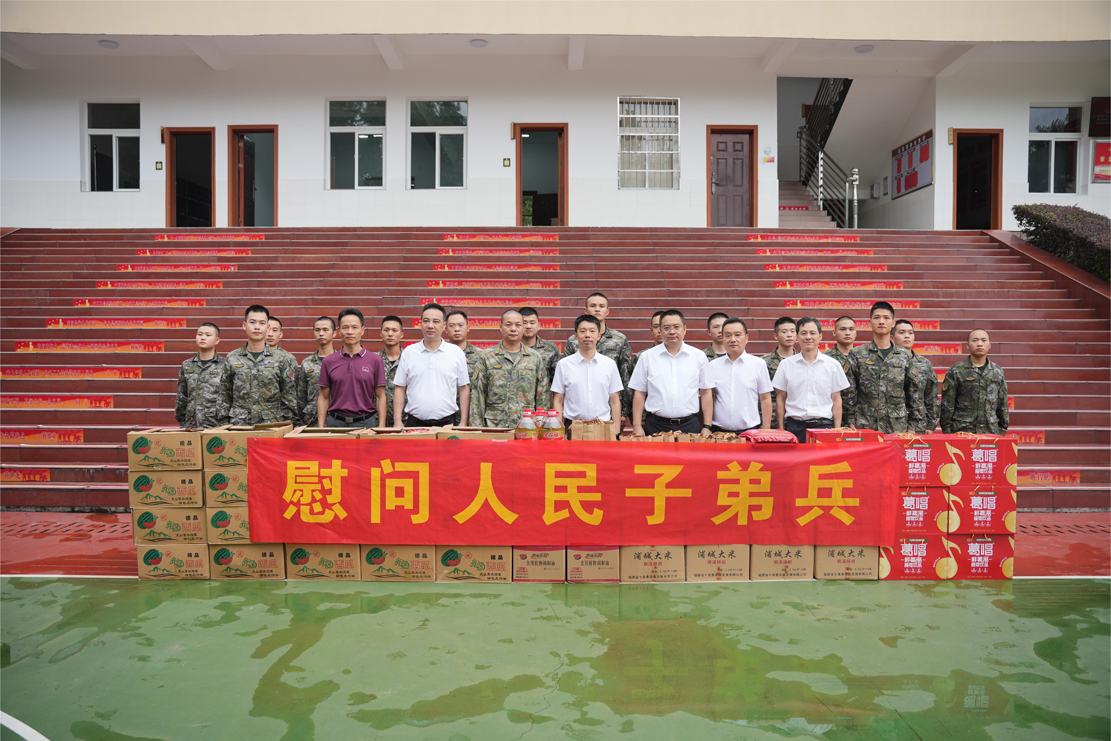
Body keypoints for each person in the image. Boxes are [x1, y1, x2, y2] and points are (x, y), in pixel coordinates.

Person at [629, 309, 713, 436]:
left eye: (676, 327)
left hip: (689, 424)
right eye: (666, 327)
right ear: (660, 331)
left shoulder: (698, 356)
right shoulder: (647, 357)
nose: (672, 331)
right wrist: (637, 425)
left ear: (684, 329)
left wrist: (706, 426)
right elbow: (639, 392)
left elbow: (706, 392)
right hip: (656, 425)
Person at [844, 301, 924, 433]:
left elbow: (913, 394)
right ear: (870, 323)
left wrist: (912, 426)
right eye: (877, 318)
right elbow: (849, 392)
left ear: (893, 323)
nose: (881, 321)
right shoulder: (857, 354)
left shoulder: (905, 356)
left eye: (886, 318)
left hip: (897, 426)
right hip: (864, 425)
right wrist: (849, 421)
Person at [773, 317, 851, 442]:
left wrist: (837, 430)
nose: (808, 337)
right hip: (794, 427)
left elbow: (836, 399)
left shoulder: (832, 364)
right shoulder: (786, 365)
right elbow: (780, 398)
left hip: (823, 428)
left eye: (812, 333)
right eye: (803, 333)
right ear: (797, 337)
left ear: (820, 337)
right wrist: (782, 430)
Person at [563, 292, 634, 427]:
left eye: (601, 306)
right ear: (585, 310)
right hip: (580, 409)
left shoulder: (619, 339)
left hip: (608, 409)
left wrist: (623, 412)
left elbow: (625, 376)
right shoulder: (573, 341)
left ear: (607, 312)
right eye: (593, 306)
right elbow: (567, 376)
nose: (597, 309)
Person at [393, 303, 470, 428]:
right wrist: (397, 421)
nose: (430, 325)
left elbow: (463, 388)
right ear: (421, 323)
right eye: (426, 321)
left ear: (444, 325)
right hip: (414, 423)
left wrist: (463, 422)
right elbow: (400, 387)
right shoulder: (409, 352)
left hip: (447, 423)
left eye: (436, 321)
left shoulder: (456, 353)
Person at [471, 310, 552, 428]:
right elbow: (477, 396)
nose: (513, 329)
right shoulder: (487, 357)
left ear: (523, 328)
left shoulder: (535, 357)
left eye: (518, 325)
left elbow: (543, 396)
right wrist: (476, 429)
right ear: (500, 327)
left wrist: (542, 427)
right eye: (508, 325)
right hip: (495, 426)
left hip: (527, 426)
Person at [221, 305, 299, 425]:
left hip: (271, 425)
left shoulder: (282, 359)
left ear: (267, 327)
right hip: (239, 425)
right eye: (252, 322)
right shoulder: (232, 358)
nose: (257, 327)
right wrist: (224, 425)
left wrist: (289, 425)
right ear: (244, 325)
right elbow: (224, 395)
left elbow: (289, 398)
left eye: (262, 323)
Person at [551, 315, 623, 436]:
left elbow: (615, 400)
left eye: (592, 331)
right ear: (576, 335)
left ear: (599, 335)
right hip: (573, 428)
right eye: (583, 331)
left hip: (603, 427)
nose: (587, 335)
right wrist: (559, 430)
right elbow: (558, 401)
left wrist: (615, 432)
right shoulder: (563, 365)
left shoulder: (609, 364)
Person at [317, 308, 386, 428]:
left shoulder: (375, 360)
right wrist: (321, 427)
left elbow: (380, 396)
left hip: (366, 422)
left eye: (355, 327)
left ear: (362, 330)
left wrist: (381, 426)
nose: (350, 332)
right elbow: (323, 397)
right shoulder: (328, 361)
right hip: (336, 423)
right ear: (338, 331)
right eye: (345, 327)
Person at [707, 318, 772, 434]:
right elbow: (707, 397)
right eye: (728, 335)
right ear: (723, 338)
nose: (733, 340)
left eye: (737, 335)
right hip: (719, 433)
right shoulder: (712, 366)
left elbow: (765, 398)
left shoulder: (758, 364)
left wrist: (766, 427)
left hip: (750, 431)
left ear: (746, 338)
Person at [941, 329, 1009, 434]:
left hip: (990, 430)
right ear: (967, 345)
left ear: (989, 345)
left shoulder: (997, 371)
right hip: (962, 430)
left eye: (984, 340)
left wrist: (1002, 429)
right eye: (975, 340)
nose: (980, 344)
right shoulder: (956, 370)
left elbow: (1002, 403)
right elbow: (947, 403)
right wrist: (947, 430)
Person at [175, 322, 229, 429]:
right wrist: (182, 421)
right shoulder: (187, 365)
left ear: (217, 340)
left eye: (208, 335)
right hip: (191, 425)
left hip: (217, 426)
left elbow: (230, 396)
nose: (203, 338)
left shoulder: (225, 365)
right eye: (200, 334)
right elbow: (182, 396)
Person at [894, 319, 940, 433]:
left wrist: (931, 425)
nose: (907, 336)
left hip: (919, 425)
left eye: (910, 333)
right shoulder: (887, 362)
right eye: (902, 332)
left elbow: (931, 396)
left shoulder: (924, 364)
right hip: (892, 424)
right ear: (891, 337)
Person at [445, 309, 481, 422]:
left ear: (468, 328)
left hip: (472, 416)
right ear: (445, 329)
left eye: (461, 325)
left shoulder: (481, 356)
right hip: (444, 416)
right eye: (452, 325)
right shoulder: (439, 355)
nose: (456, 329)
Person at [300, 316, 336, 427]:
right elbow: (301, 396)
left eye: (325, 330)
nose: (321, 333)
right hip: (312, 420)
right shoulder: (307, 363)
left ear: (334, 333)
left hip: (336, 419)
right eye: (317, 330)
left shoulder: (342, 361)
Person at [265, 317, 302, 423]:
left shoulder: (288, 359)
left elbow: (293, 390)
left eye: (274, 330)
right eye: (267, 330)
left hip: (279, 416)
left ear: (281, 334)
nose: (270, 334)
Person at [762, 316, 797, 421]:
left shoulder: (802, 361)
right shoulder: (764, 361)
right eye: (784, 332)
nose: (789, 335)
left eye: (792, 331)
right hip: (772, 418)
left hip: (796, 417)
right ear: (776, 336)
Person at [520, 306, 560, 382]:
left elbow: (557, 380)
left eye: (532, 323)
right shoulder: (511, 348)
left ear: (538, 326)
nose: (528, 326)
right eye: (524, 323)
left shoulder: (550, 348)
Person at [378, 315, 404, 427]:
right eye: (386, 330)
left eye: (394, 330)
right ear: (381, 334)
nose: (390, 334)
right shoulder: (374, 360)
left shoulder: (409, 359)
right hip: (377, 420)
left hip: (405, 420)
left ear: (401, 335)